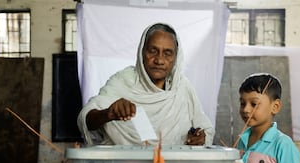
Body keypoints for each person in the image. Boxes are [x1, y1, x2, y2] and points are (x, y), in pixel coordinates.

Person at [77, 23, 214, 146]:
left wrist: (200, 138)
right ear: (142, 52)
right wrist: (108, 114)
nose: (159, 60)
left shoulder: (182, 88)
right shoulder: (123, 81)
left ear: (176, 58)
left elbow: (204, 129)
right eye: (153, 51)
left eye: (167, 53)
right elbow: (86, 120)